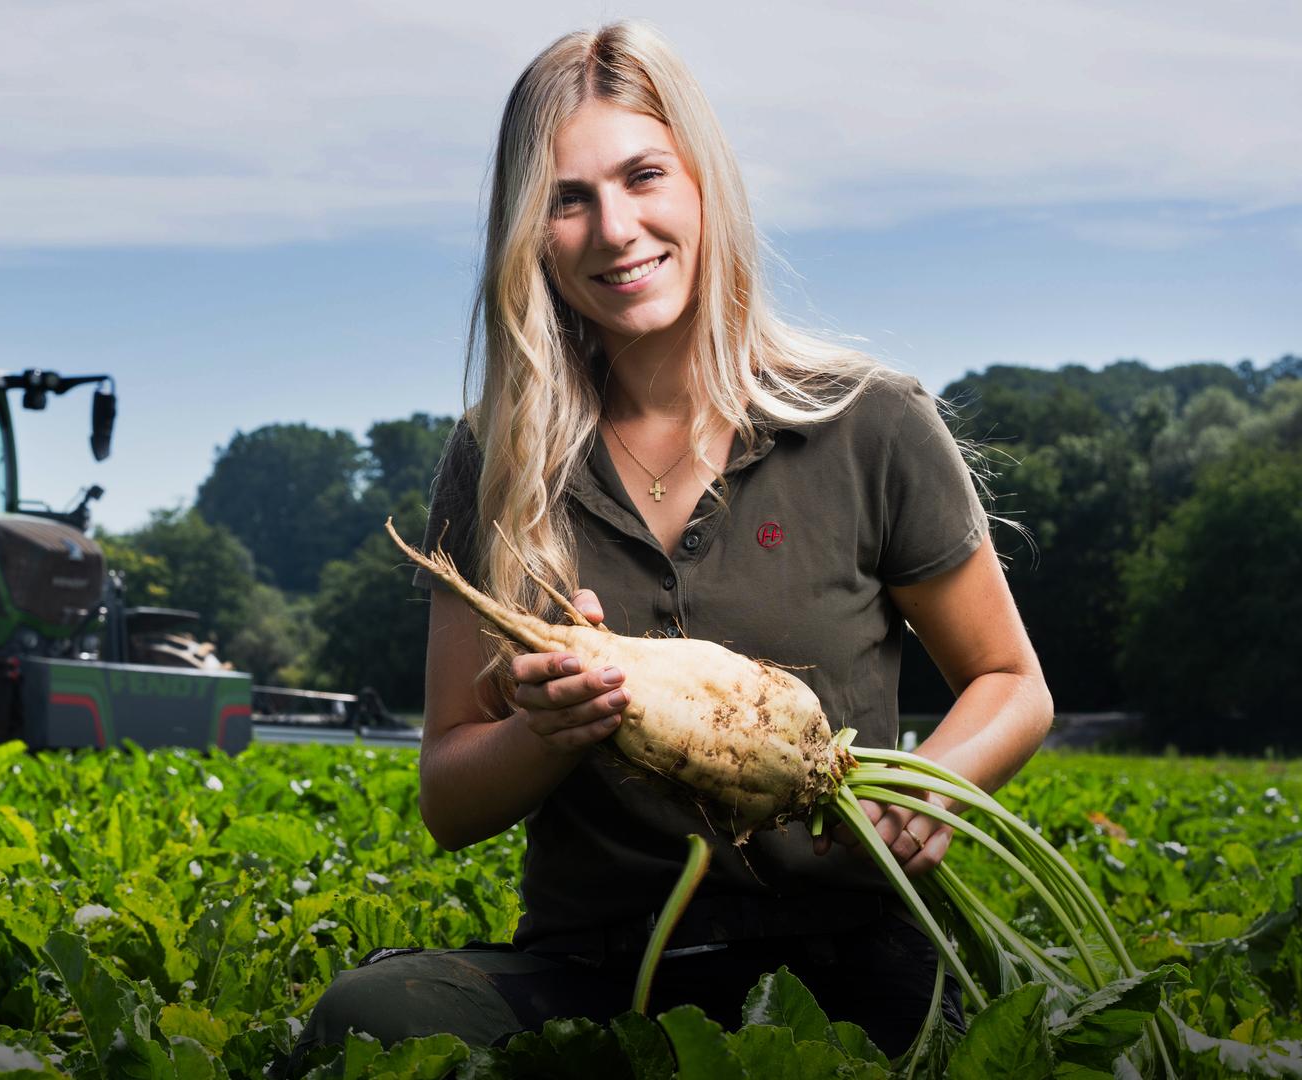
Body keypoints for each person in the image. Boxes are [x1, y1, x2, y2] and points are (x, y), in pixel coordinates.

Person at [287, 20, 1052, 1065]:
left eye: (644, 175)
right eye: (568, 198)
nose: (614, 229)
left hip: (842, 956)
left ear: (703, 184)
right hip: (604, 969)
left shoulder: (871, 422)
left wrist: (934, 783)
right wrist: (544, 733)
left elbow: (1012, 679)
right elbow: (450, 799)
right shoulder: (498, 459)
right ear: (529, 231)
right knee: (370, 1017)